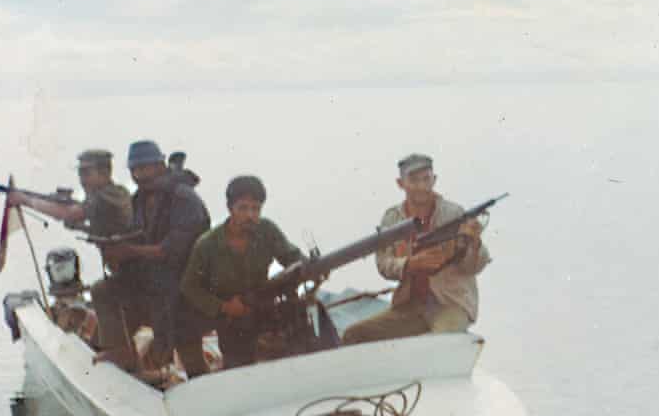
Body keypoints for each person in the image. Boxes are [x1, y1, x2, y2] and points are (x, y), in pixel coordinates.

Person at [341, 153, 490, 346]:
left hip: (451, 304)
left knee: (438, 346)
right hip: (410, 306)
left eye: (426, 179)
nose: (421, 186)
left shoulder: (454, 214)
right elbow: (384, 264)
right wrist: (409, 265)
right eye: (413, 180)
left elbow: (475, 266)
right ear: (400, 183)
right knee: (354, 335)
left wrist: (474, 242)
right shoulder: (392, 218)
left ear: (434, 180)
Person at [91, 140, 210, 379]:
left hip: (186, 285)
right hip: (154, 279)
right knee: (103, 290)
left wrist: (128, 251)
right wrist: (114, 250)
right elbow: (140, 237)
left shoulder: (184, 198)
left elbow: (172, 250)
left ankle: (201, 384)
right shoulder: (141, 199)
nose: (139, 175)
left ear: (160, 165)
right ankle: (122, 353)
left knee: (189, 352)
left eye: (145, 168)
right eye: (135, 170)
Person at [178, 175, 304, 371]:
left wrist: (312, 268)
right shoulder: (208, 244)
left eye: (256, 209)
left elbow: (293, 257)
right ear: (230, 209)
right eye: (243, 208)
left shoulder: (267, 230)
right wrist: (223, 307)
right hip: (227, 315)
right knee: (238, 367)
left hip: (261, 304)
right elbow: (190, 286)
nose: (250, 215)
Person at [7, 149, 132, 241]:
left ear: (105, 173)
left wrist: (24, 200)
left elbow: (69, 213)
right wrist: (80, 227)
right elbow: (107, 232)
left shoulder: (113, 195)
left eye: (86, 173)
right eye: (80, 174)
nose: (82, 180)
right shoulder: (101, 197)